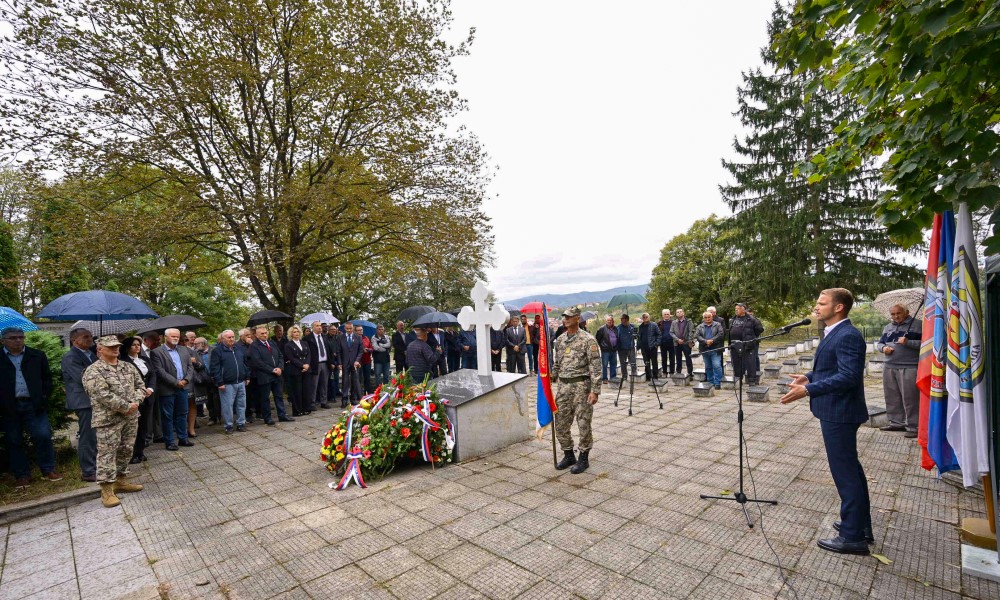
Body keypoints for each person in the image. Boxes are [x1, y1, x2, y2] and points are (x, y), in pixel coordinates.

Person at [780, 288, 872, 554]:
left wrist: (808, 390)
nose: (816, 308)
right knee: (850, 469)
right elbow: (830, 368)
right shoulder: (835, 332)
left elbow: (849, 377)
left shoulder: (848, 335)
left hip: (840, 412)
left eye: (822, 303)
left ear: (839, 307)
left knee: (845, 473)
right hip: (835, 410)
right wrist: (809, 376)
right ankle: (858, 524)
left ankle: (852, 536)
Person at [82, 335, 145, 508]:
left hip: (131, 417)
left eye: (116, 346)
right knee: (107, 453)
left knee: (126, 449)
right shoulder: (94, 371)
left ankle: (121, 480)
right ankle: (107, 489)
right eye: (110, 347)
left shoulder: (127, 367)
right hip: (108, 419)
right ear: (100, 349)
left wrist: (136, 402)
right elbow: (101, 395)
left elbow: (141, 386)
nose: (115, 349)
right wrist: (126, 406)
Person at [1, 326, 62, 488]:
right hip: (9, 407)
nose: (18, 340)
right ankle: (22, 475)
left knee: (42, 435)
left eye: (21, 337)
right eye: (13, 338)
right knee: (14, 440)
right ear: (3, 341)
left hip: (34, 404)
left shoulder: (37, 355)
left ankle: (48, 469)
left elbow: (47, 379)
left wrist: (43, 397)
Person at [551, 307, 601, 475]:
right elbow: (557, 363)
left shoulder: (588, 340)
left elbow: (595, 367)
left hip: (582, 387)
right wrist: (550, 376)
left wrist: (595, 390)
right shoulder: (560, 340)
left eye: (569, 317)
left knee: (583, 423)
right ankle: (568, 454)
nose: (565, 319)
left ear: (577, 318)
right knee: (561, 423)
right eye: (564, 316)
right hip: (563, 388)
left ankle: (584, 457)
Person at [875, 304, 922, 438]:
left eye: (899, 313)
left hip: (909, 366)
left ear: (907, 312)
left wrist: (908, 342)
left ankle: (914, 426)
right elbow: (880, 343)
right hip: (889, 366)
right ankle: (896, 423)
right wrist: (883, 349)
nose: (896, 316)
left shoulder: (919, 325)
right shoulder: (888, 327)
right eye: (893, 314)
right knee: (892, 396)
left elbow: (927, 344)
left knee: (910, 398)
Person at [62, 327, 98, 481]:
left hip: (95, 399)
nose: (90, 339)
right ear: (74, 340)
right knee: (88, 436)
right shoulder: (70, 357)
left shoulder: (92, 354)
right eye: (85, 337)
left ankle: (97, 465)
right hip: (83, 401)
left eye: (90, 336)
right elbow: (82, 378)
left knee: (96, 435)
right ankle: (88, 471)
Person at [150, 328, 195, 450]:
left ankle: (183, 438)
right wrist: (175, 382)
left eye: (177, 336)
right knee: (167, 416)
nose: (175, 338)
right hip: (167, 388)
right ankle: (169, 441)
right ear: (166, 337)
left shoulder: (184, 350)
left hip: (183, 387)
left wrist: (185, 380)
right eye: (173, 336)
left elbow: (190, 367)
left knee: (183, 413)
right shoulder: (157, 352)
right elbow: (159, 371)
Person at [120, 336, 155, 464]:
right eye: (134, 344)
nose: (137, 347)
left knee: (144, 425)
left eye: (138, 344)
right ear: (128, 347)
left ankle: (140, 452)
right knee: (133, 426)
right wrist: (139, 392)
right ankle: (132, 453)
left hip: (148, 396)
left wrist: (150, 388)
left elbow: (153, 374)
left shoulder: (145, 359)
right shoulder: (123, 361)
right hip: (134, 397)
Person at [248, 325, 293, 424]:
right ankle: (267, 418)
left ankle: (282, 415)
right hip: (265, 375)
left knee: (279, 396)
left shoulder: (272, 342)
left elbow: (280, 356)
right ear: (257, 335)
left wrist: (280, 367)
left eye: (266, 333)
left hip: (277, 374)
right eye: (262, 334)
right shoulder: (254, 346)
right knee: (265, 398)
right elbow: (257, 362)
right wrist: (272, 370)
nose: (264, 335)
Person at [210, 330, 249, 433]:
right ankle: (229, 426)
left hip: (240, 381)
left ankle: (241, 424)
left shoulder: (239, 349)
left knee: (242, 404)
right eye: (229, 337)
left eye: (232, 337)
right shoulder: (217, 351)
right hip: (226, 383)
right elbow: (215, 368)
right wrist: (219, 382)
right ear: (223, 339)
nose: (232, 339)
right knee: (227, 406)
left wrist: (247, 376)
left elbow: (245, 363)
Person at [729, 303, 764, 385]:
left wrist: (750, 337)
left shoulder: (752, 319)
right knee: (736, 363)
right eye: (735, 308)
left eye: (738, 308)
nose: (736, 310)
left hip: (747, 345)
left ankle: (751, 381)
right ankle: (738, 379)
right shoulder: (733, 319)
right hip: (735, 345)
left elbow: (759, 329)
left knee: (750, 363)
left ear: (743, 309)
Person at [140, 331, 163, 445]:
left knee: (156, 412)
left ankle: (158, 434)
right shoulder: (138, 352)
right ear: (146, 340)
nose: (158, 343)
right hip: (144, 387)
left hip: (154, 386)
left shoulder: (154, 352)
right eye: (155, 340)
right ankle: (146, 437)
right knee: (147, 413)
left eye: (159, 340)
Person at [282, 325, 311, 417]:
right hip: (295, 370)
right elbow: (291, 358)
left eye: (297, 331)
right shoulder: (288, 345)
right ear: (291, 334)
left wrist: (307, 365)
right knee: (297, 391)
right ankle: (297, 410)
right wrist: (302, 365)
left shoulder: (304, 343)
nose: (296, 333)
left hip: (305, 369)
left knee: (306, 390)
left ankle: (306, 408)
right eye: (294, 332)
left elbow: (308, 355)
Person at [306, 321, 334, 410]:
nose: (319, 327)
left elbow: (329, 350)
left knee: (324, 384)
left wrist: (331, 362)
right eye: (317, 326)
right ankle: (312, 403)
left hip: (325, 363)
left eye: (320, 326)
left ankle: (323, 402)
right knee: (314, 385)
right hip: (315, 364)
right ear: (313, 327)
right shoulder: (308, 338)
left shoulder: (324, 337)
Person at [696, 311, 724, 389]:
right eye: (705, 317)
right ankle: (710, 382)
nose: (707, 319)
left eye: (709, 317)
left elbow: (721, 334)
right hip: (705, 349)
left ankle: (718, 383)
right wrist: (706, 341)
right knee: (708, 366)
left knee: (717, 365)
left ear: (712, 317)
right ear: (703, 318)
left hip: (715, 348)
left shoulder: (717, 325)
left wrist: (712, 340)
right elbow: (698, 336)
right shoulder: (699, 326)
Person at [339, 323, 364, 406]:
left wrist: (357, 360)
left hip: (355, 363)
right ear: (345, 329)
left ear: (353, 328)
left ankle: (353, 399)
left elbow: (361, 350)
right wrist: (339, 363)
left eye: (350, 328)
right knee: (345, 382)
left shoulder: (358, 337)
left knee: (354, 381)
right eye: (347, 329)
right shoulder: (340, 337)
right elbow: (339, 351)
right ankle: (344, 400)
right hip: (345, 363)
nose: (349, 330)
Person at [237, 328, 258, 421]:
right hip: (246, 373)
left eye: (250, 335)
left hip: (256, 371)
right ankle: (247, 414)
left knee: (257, 393)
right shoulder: (238, 346)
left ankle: (258, 411)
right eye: (246, 335)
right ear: (241, 336)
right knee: (247, 395)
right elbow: (246, 356)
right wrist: (251, 345)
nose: (249, 336)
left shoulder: (254, 343)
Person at [671, 309, 695, 378]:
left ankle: (690, 374)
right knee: (678, 358)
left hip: (686, 343)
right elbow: (671, 332)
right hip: (677, 343)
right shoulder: (674, 322)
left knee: (688, 358)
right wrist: (677, 339)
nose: (679, 313)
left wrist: (689, 341)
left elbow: (691, 331)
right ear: (676, 314)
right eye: (677, 312)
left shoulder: (689, 321)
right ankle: (678, 372)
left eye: (680, 312)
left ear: (683, 313)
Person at [594, 315, 618, 383]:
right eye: (608, 320)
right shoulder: (602, 329)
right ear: (606, 321)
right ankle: (604, 378)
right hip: (605, 351)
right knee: (605, 365)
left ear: (613, 321)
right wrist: (602, 347)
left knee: (613, 364)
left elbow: (617, 337)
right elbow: (597, 339)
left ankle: (613, 378)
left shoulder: (615, 328)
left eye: (611, 320)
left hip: (614, 350)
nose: (609, 321)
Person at [638, 313, 661, 382]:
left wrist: (656, 344)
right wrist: (638, 346)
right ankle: (648, 376)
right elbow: (639, 337)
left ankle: (655, 376)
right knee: (646, 362)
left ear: (649, 317)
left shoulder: (654, 325)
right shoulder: (641, 326)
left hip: (652, 347)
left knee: (654, 362)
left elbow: (659, 334)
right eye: (644, 317)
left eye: (646, 317)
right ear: (642, 318)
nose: (645, 318)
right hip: (644, 348)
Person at [658, 309, 675, 377]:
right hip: (663, 343)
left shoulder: (673, 322)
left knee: (672, 358)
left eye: (668, 314)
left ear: (670, 315)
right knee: (664, 358)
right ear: (662, 315)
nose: (666, 315)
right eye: (665, 314)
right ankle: (664, 372)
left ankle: (672, 372)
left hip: (672, 343)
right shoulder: (659, 323)